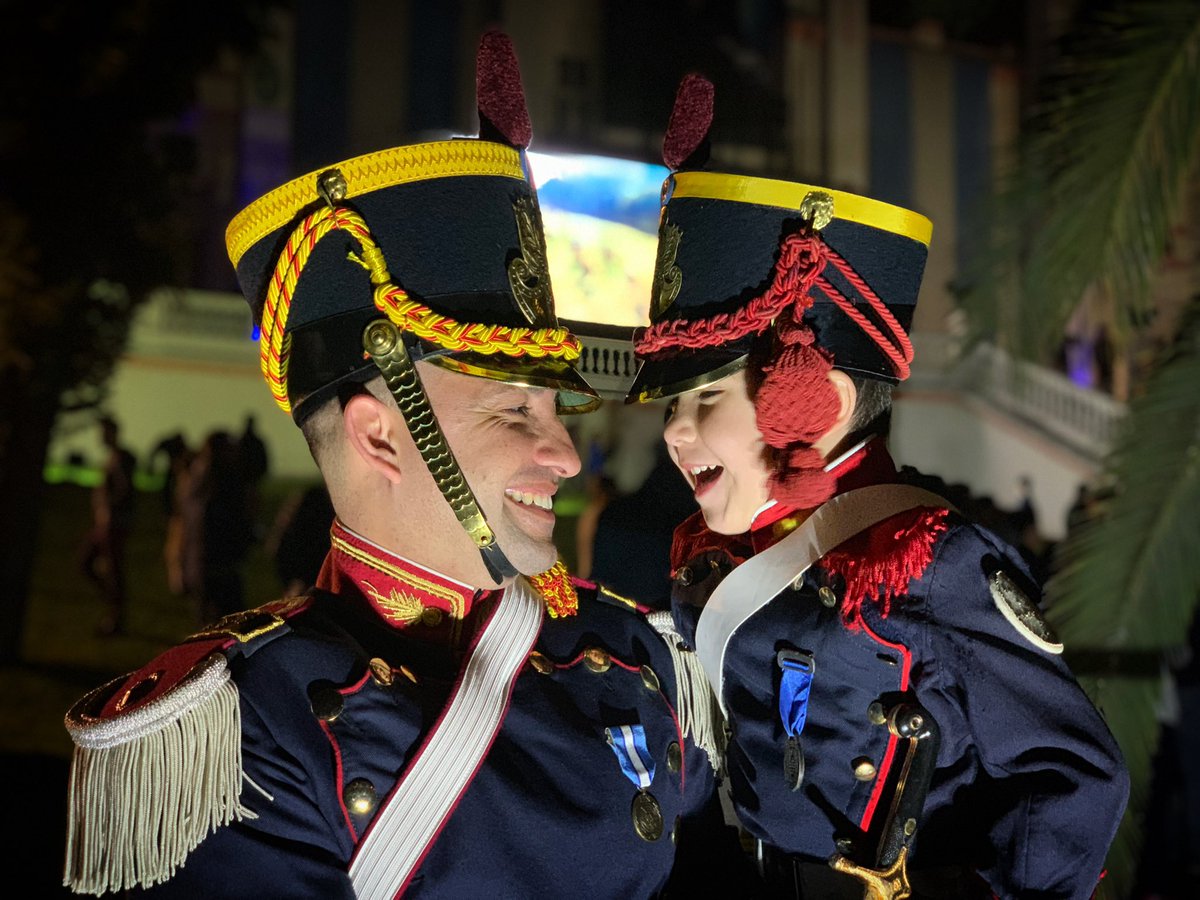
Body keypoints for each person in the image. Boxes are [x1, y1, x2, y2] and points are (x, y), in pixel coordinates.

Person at [63, 35, 722, 898]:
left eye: (554, 413)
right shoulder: (240, 727)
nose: (563, 454)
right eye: (515, 410)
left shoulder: (631, 651)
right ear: (380, 436)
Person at [624, 74, 1129, 899]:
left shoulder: (925, 561)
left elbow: (1072, 769)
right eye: (675, 403)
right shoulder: (709, 559)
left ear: (820, 401)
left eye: (707, 397)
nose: (676, 430)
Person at [78, 415, 137, 635]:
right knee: (89, 563)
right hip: (105, 523)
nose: (101, 437)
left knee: (113, 570)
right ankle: (113, 606)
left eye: (104, 432)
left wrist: (109, 510)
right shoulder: (114, 457)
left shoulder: (122, 458)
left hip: (113, 524)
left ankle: (115, 616)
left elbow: (124, 490)